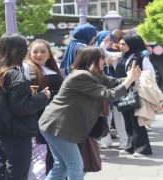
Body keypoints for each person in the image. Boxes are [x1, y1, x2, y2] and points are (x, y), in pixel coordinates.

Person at [38, 46, 141, 179]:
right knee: (75, 165)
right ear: (94, 59)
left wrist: (133, 78)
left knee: (61, 165)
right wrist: (129, 79)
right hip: (57, 125)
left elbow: (114, 82)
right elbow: (110, 94)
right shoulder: (81, 76)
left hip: (56, 124)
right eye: (102, 57)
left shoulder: (94, 74)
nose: (105, 60)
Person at [0, 34, 51, 180]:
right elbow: (21, 108)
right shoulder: (15, 75)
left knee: (4, 171)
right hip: (17, 133)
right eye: (26, 48)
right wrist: (42, 97)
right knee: (17, 173)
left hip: (1, 132)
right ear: (19, 51)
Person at [22, 39, 64, 175]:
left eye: (42, 51)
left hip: (57, 116)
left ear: (49, 54)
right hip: (42, 116)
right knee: (55, 155)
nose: (38, 54)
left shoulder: (52, 69)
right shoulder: (27, 69)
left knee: (57, 155)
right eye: (35, 52)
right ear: (30, 53)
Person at [111, 35, 154, 157]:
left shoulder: (141, 57)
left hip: (136, 92)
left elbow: (150, 75)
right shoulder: (123, 57)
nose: (121, 46)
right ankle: (131, 146)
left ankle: (143, 148)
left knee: (137, 121)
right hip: (124, 92)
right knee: (127, 121)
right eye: (120, 44)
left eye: (124, 44)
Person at [95, 31, 128, 150]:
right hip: (102, 88)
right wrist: (104, 43)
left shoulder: (117, 54)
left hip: (117, 87)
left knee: (119, 115)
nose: (110, 42)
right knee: (105, 115)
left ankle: (124, 141)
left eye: (111, 39)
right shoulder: (94, 52)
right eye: (106, 39)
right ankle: (105, 140)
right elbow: (100, 51)